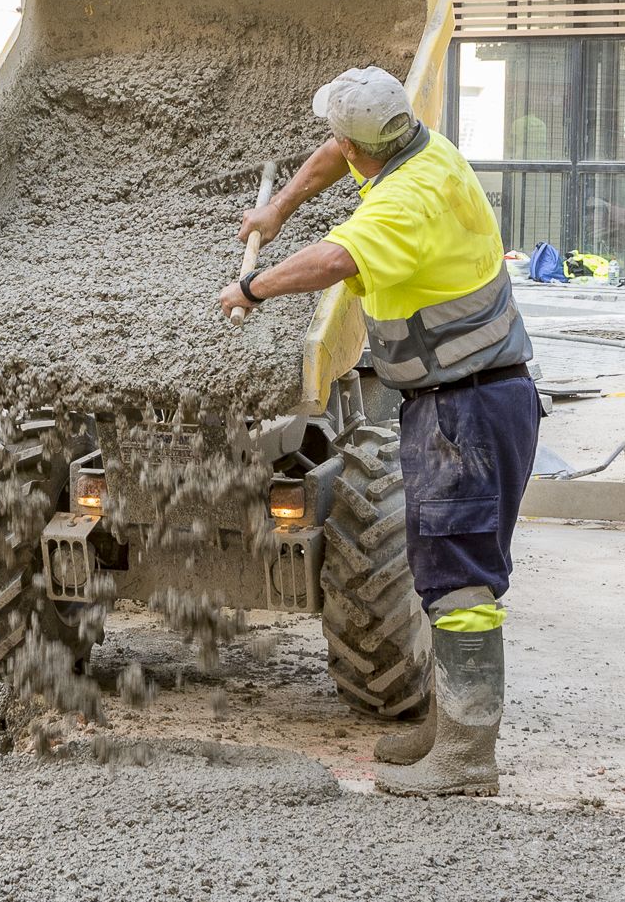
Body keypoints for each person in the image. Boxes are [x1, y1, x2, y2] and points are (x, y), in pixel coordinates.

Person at [219, 67, 538, 797]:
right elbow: (338, 155)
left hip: (467, 407)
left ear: (361, 145)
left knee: (461, 580)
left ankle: (466, 756)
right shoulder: (421, 147)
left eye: (340, 140)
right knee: (438, 564)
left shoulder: (404, 203)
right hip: (459, 396)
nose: (335, 150)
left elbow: (334, 259)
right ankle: (445, 725)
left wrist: (252, 286)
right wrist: (277, 209)